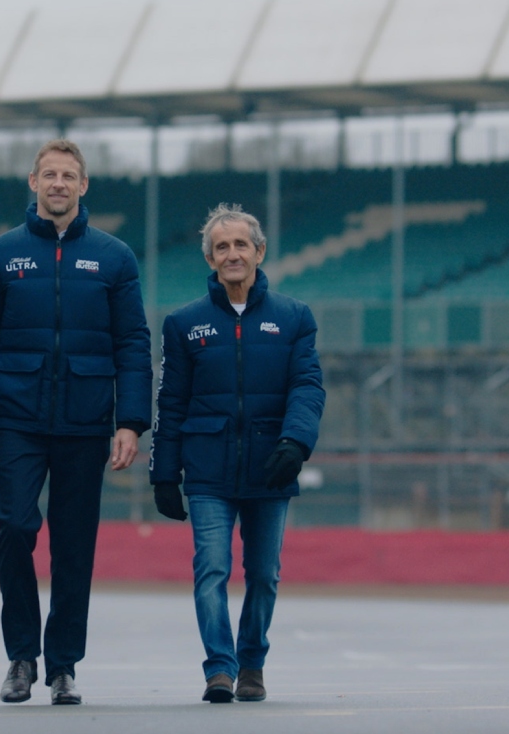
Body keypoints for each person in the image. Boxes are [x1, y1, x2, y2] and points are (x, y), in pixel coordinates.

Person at [0, 139, 152, 705]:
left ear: (83, 186)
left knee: (73, 546)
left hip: (87, 423)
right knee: (14, 528)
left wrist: (131, 421)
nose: (59, 184)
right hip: (16, 421)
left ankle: (63, 664)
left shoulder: (114, 258)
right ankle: (21, 657)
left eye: (69, 175)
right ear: (33, 182)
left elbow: (134, 344)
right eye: (49, 175)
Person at [150, 203, 325, 703]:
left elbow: (308, 387)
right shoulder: (184, 324)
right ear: (210, 258)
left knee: (264, 575)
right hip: (207, 471)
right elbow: (171, 402)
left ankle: (252, 664)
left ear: (259, 252)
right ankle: (219, 669)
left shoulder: (294, 318)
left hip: (272, 468)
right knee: (211, 570)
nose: (232, 254)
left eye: (240, 245)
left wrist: (296, 442)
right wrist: (164, 472)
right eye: (221, 247)